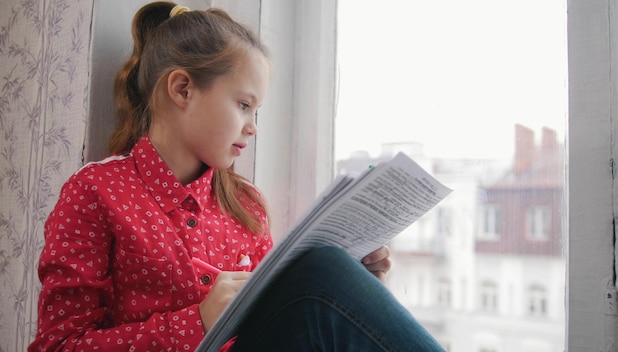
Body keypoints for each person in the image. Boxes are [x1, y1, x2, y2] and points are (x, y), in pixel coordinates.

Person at [29, 2, 444, 351]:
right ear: (182, 89)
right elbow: (58, 345)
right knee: (321, 272)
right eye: (244, 105)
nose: (253, 127)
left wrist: (362, 287)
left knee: (328, 270)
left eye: (257, 111)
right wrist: (199, 322)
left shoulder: (245, 206)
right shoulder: (95, 191)